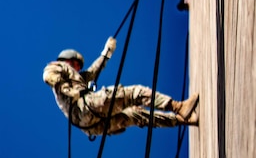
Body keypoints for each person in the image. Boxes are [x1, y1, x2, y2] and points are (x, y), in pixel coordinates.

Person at [43, 43, 199, 138]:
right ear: (69, 60)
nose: (78, 69)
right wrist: (66, 89)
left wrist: (106, 53)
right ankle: (178, 107)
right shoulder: (58, 66)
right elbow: (48, 76)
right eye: (77, 65)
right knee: (134, 94)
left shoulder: (77, 78)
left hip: (90, 126)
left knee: (136, 115)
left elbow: (92, 72)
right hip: (86, 106)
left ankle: (182, 120)